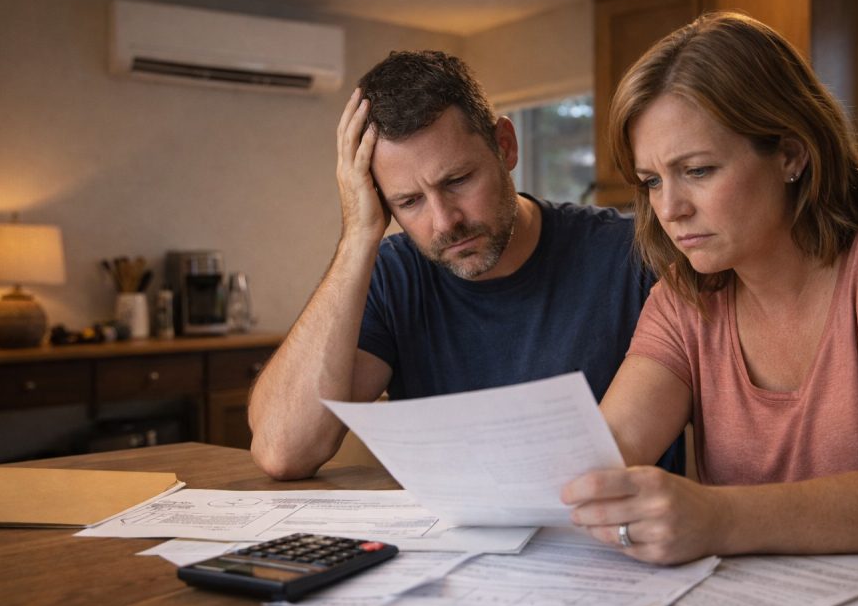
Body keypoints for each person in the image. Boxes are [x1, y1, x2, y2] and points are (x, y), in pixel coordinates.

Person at [562, 12, 858, 565]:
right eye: (652, 181)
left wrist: (715, 516)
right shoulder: (685, 298)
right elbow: (600, 457)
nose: (669, 208)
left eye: (697, 170)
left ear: (792, 153)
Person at [249, 50, 684, 481]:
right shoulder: (392, 277)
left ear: (506, 146)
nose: (445, 222)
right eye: (409, 201)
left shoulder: (632, 254)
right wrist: (357, 236)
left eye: (457, 181)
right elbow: (284, 451)